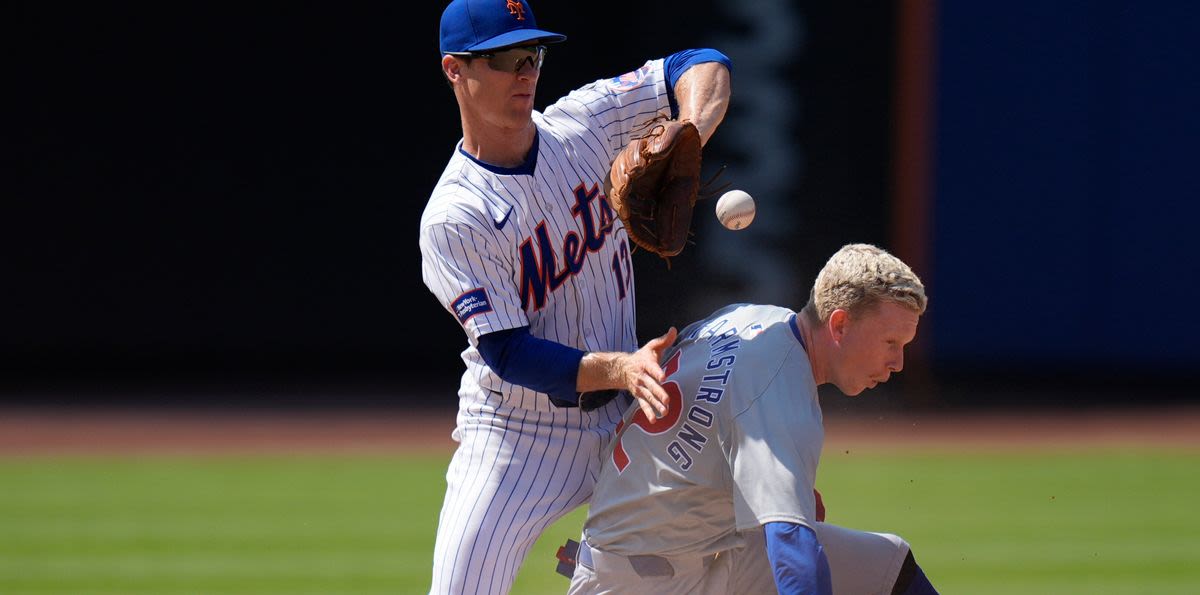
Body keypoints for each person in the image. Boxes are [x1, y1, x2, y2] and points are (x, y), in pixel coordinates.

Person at [418, 0, 732, 592]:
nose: (526, 71)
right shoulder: (455, 216)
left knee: (710, 563)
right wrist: (620, 368)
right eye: (505, 58)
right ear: (454, 70)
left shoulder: (587, 123)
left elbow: (700, 63)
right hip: (518, 437)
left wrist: (688, 129)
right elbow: (511, 354)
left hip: (629, 417)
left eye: (532, 54)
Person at [567, 243, 940, 595]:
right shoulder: (780, 387)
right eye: (890, 343)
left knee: (888, 566)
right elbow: (791, 548)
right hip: (640, 584)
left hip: (666, 552)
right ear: (839, 324)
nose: (898, 363)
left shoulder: (747, 318)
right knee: (802, 550)